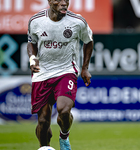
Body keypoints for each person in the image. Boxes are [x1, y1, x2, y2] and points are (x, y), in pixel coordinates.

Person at [27, 0, 93, 149]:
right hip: (42, 73)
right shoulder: (36, 21)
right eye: (58, 0)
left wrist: (85, 68)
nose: (64, 3)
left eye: (66, 0)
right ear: (50, 1)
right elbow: (31, 42)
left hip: (66, 71)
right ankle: (45, 147)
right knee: (43, 121)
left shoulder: (77, 21)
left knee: (63, 110)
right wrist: (32, 59)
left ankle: (64, 136)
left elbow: (89, 41)